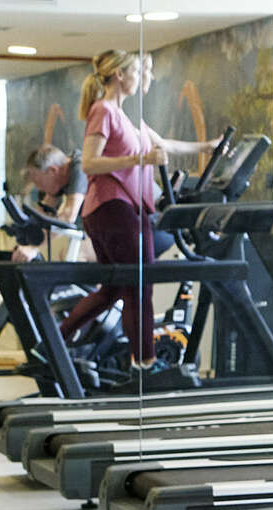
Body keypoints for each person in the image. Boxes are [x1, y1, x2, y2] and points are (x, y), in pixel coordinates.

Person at [56, 49, 214, 371]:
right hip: (113, 208)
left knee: (114, 288)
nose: (145, 77)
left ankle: (52, 342)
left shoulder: (126, 117)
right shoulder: (103, 111)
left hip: (122, 209)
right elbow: (90, 163)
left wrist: (208, 148)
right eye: (139, 71)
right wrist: (140, 160)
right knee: (139, 286)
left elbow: (163, 145)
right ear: (120, 75)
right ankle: (145, 363)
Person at [22, 145, 87, 225]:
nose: (39, 188)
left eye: (40, 183)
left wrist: (41, 232)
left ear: (53, 171)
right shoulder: (59, 178)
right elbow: (45, 209)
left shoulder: (79, 167)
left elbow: (69, 216)